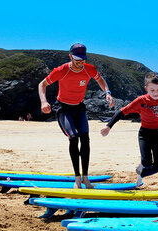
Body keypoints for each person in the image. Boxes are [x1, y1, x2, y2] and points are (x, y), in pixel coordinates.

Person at [38, 43, 114, 188]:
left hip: (79, 109)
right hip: (63, 109)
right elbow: (42, 85)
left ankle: (86, 178)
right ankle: (77, 180)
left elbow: (100, 79)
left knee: (85, 139)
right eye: (77, 59)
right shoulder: (62, 70)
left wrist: (107, 93)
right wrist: (43, 102)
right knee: (73, 138)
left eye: (82, 59)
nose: (80, 63)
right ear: (70, 56)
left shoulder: (89, 69)